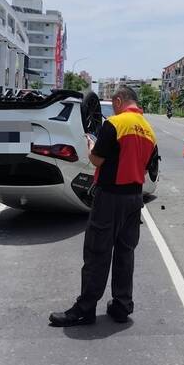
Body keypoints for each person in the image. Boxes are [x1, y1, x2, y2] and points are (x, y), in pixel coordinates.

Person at [50, 86, 157, 327]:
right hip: (134, 199)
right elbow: (145, 164)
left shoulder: (116, 124)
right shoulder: (149, 130)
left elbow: (97, 160)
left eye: (115, 103)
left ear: (119, 100)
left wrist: (90, 146)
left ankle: (85, 309)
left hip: (110, 197)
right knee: (124, 253)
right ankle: (121, 306)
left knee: (97, 252)